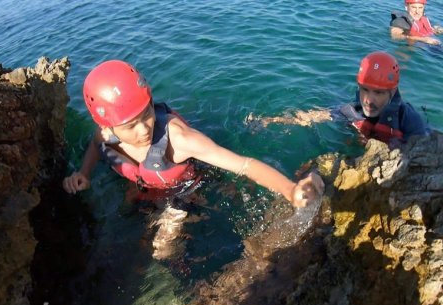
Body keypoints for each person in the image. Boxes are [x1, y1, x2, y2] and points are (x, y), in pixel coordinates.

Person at [63, 60, 324, 261]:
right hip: (146, 185)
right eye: (131, 125)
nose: (143, 129)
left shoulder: (181, 140)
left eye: (147, 114)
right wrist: (84, 173)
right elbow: (96, 145)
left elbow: (245, 165)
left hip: (187, 188)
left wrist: (290, 190)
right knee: (117, 229)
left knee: (162, 250)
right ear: (108, 124)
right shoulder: (106, 131)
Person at [246, 51, 429, 145]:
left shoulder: (410, 120)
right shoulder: (352, 111)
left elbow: (426, 151)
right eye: (365, 90)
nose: (368, 99)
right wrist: (270, 120)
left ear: (392, 91)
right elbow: (312, 117)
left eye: (378, 93)